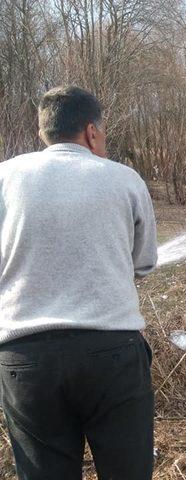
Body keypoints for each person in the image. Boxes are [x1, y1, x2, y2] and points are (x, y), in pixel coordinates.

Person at [0, 86, 158, 479]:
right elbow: (144, 263)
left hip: (25, 357)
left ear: (44, 134)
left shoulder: (4, 177)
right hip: (113, 354)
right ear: (91, 131)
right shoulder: (125, 179)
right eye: (102, 134)